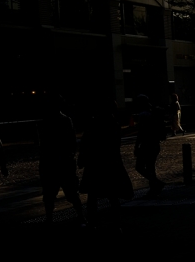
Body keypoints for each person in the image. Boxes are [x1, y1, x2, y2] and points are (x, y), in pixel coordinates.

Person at [79, 99, 133, 229]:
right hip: (111, 162)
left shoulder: (94, 123)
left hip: (95, 162)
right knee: (112, 194)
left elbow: (86, 142)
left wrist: (82, 157)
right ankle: (115, 221)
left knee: (93, 194)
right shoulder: (114, 124)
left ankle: (92, 221)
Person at [37, 95, 85, 225]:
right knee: (71, 193)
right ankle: (81, 215)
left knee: (49, 194)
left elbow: (42, 145)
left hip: (49, 163)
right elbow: (72, 142)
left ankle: (49, 218)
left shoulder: (44, 122)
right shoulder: (66, 120)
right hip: (64, 162)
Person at [133, 94, 166, 197]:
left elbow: (141, 132)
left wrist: (136, 146)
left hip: (146, 144)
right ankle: (154, 188)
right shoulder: (153, 112)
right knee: (150, 167)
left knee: (139, 167)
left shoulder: (143, 115)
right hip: (155, 143)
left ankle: (156, 183)